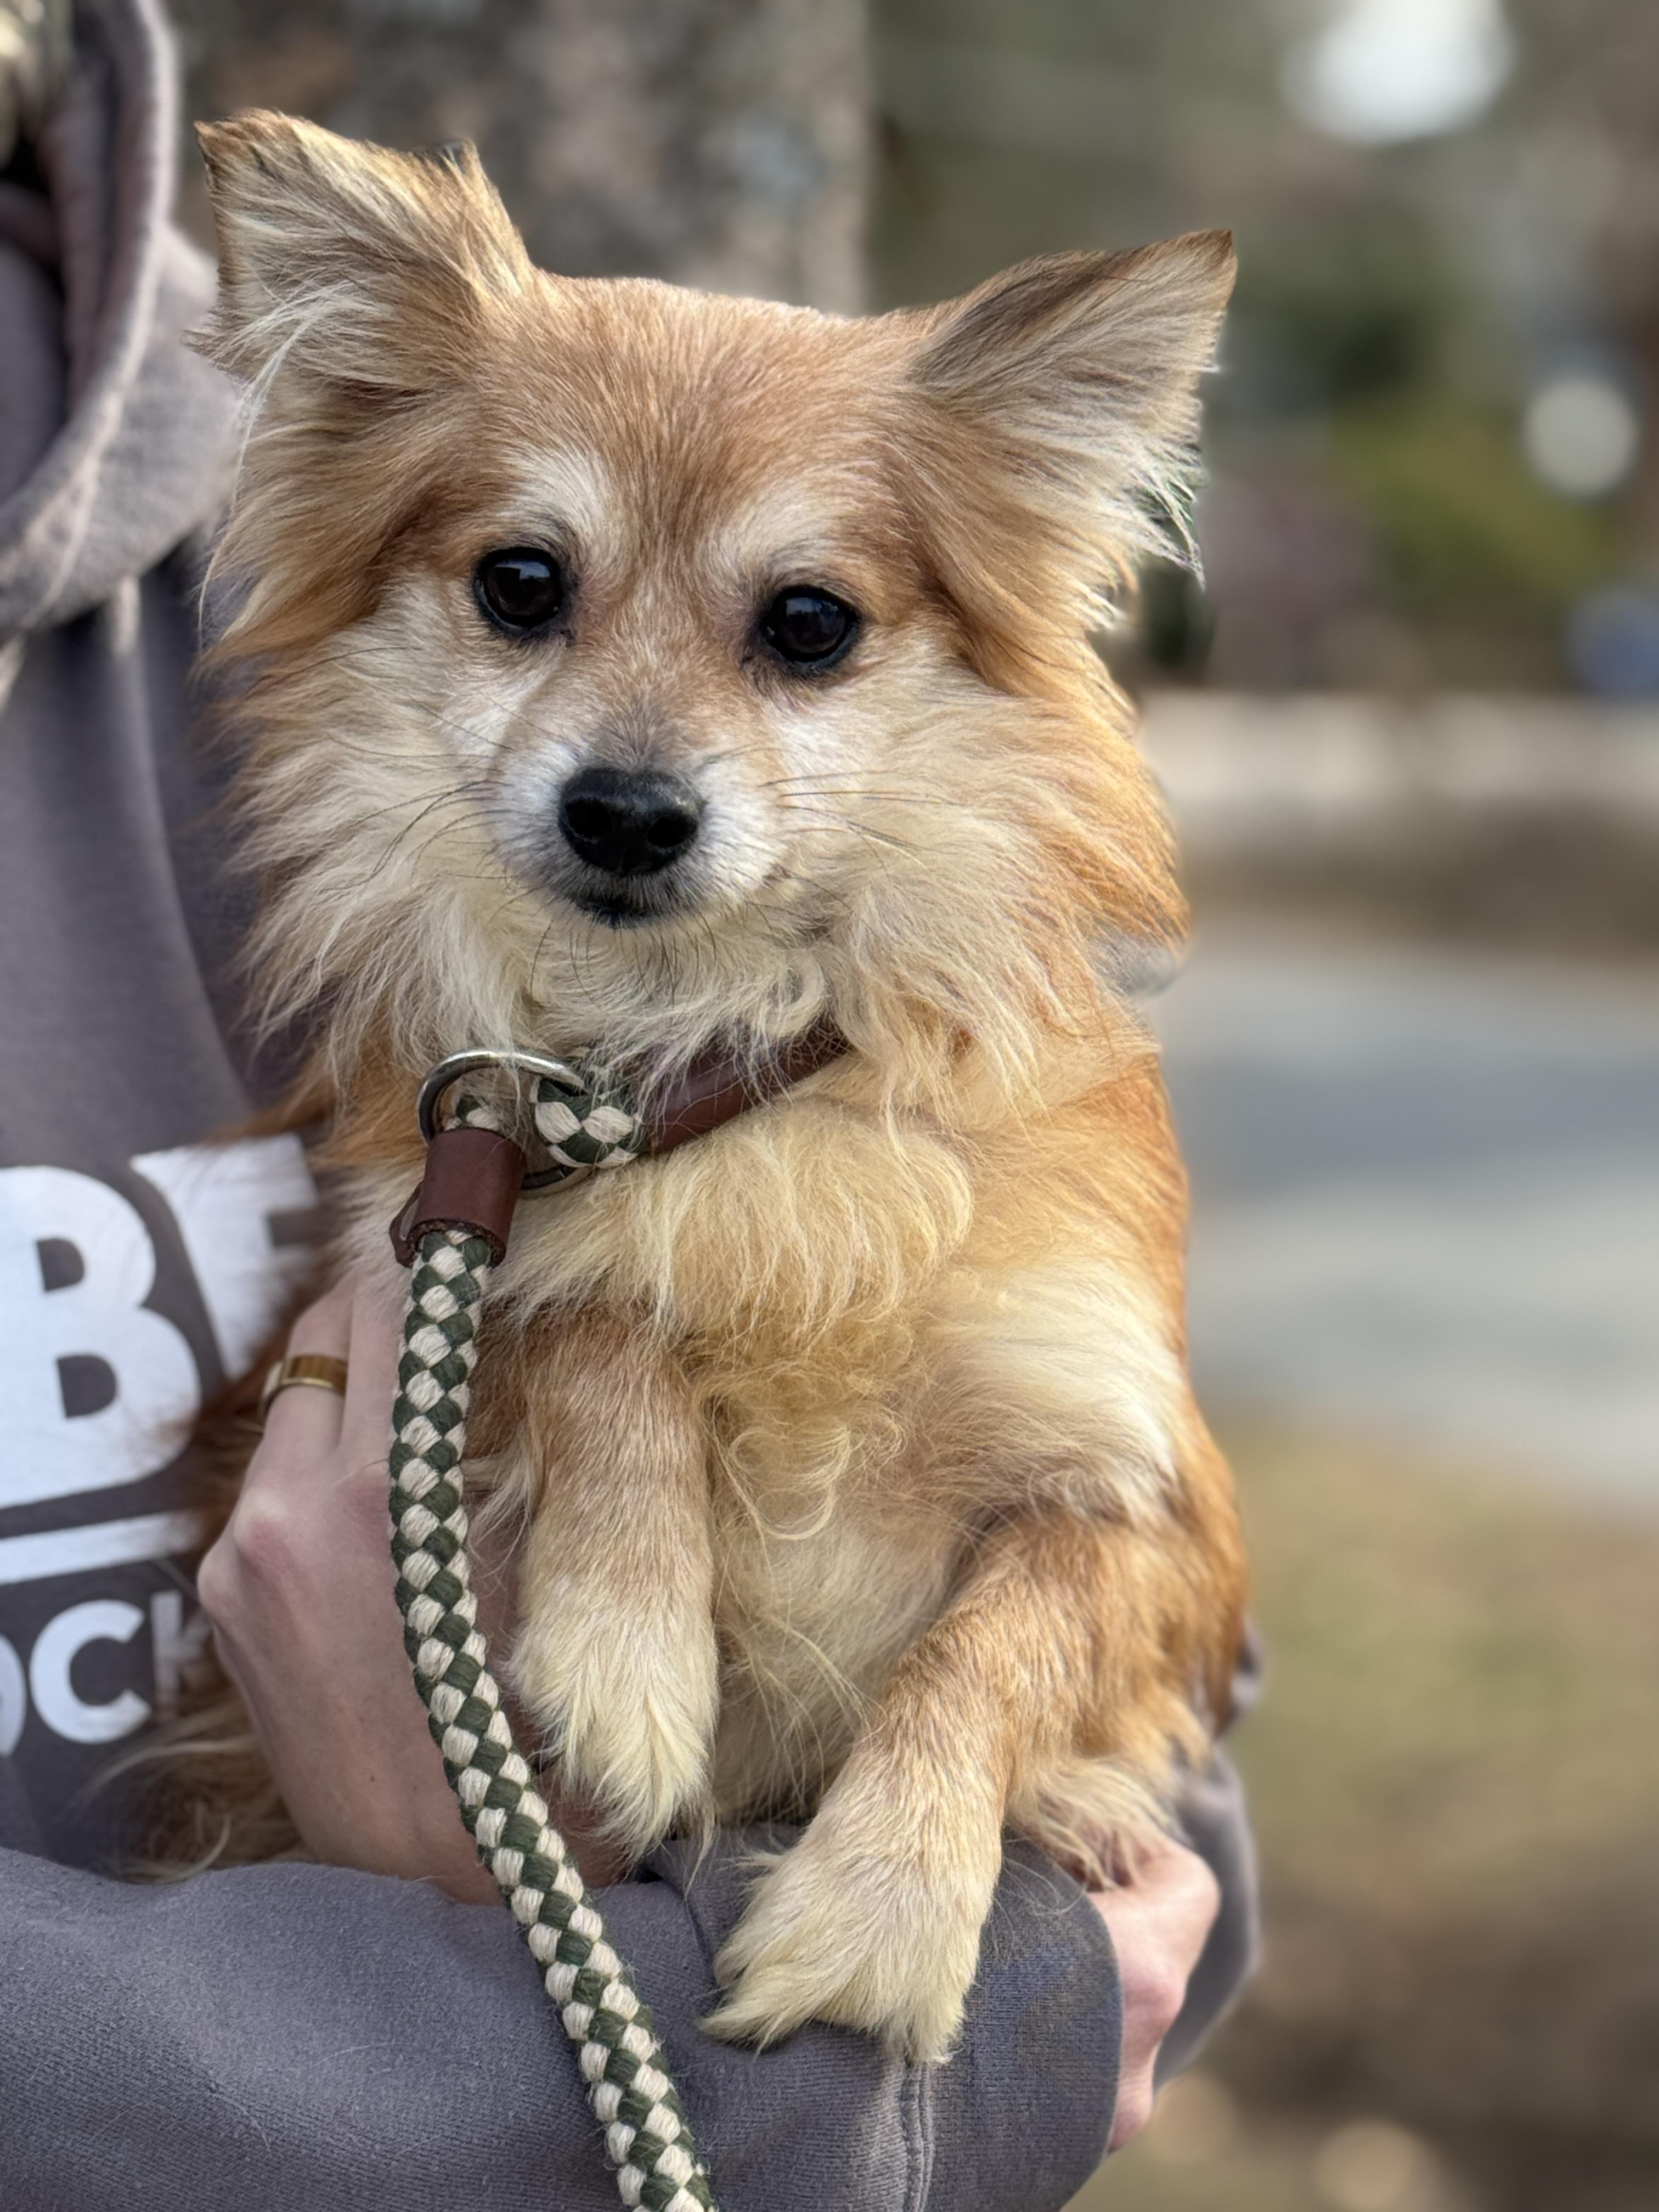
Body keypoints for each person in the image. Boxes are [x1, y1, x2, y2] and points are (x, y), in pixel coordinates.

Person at [0, 0, 1259, 2203]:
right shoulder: (405, 1002)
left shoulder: (1003, 1099)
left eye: (803, 631)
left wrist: (951, 1998)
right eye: (527, 594)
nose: (637, 755)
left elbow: (1173, 1866)